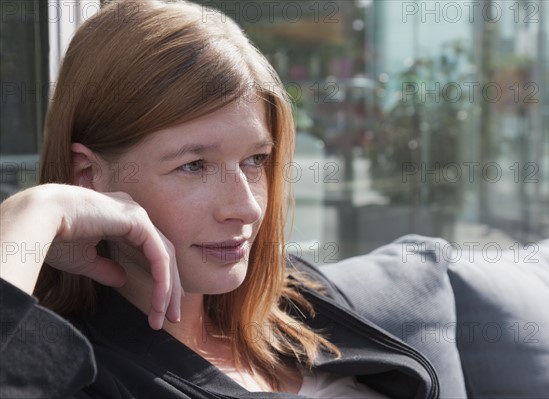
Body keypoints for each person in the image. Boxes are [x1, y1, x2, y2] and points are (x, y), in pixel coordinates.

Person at [0, 1, 439, 397]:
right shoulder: (82, 376)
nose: (246, 208)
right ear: (89, 177)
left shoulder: (293, 299)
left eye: (254, 160)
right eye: (194, 165)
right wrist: (32, 213)